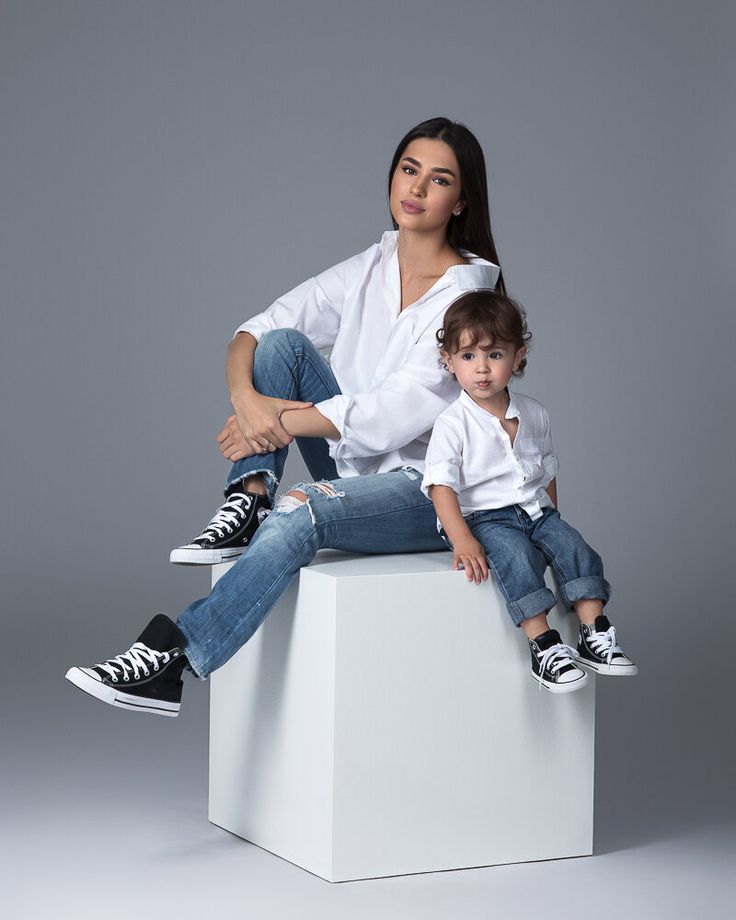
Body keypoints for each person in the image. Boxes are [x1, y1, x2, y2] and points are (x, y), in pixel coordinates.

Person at [65, 116, 506, 716]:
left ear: (461, 200)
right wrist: (249, 406)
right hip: (355, 465)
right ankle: (248, 499)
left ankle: (176, 657)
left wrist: (274, 423)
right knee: (281, 350)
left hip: (430, 490)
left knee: (303, 514)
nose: (418, 188)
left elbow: (392, 414)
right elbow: (260, 326)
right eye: (409, 169)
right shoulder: (371, 266)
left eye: (439, 179)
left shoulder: (470, 296)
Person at [421, 290, 638, 693]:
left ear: (518, 356)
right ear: (448, 362)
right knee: (517, 556)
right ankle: (543, 646)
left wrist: (550, 524)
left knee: (575, 547)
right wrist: (462, 539)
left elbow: (546, 470)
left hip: (535, 511)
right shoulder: (452, 424)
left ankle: (594, 634)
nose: (482, 369)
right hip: (483, 517)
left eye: (495, 355)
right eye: (468, 357)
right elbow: (441, 486)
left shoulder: (535, 412)